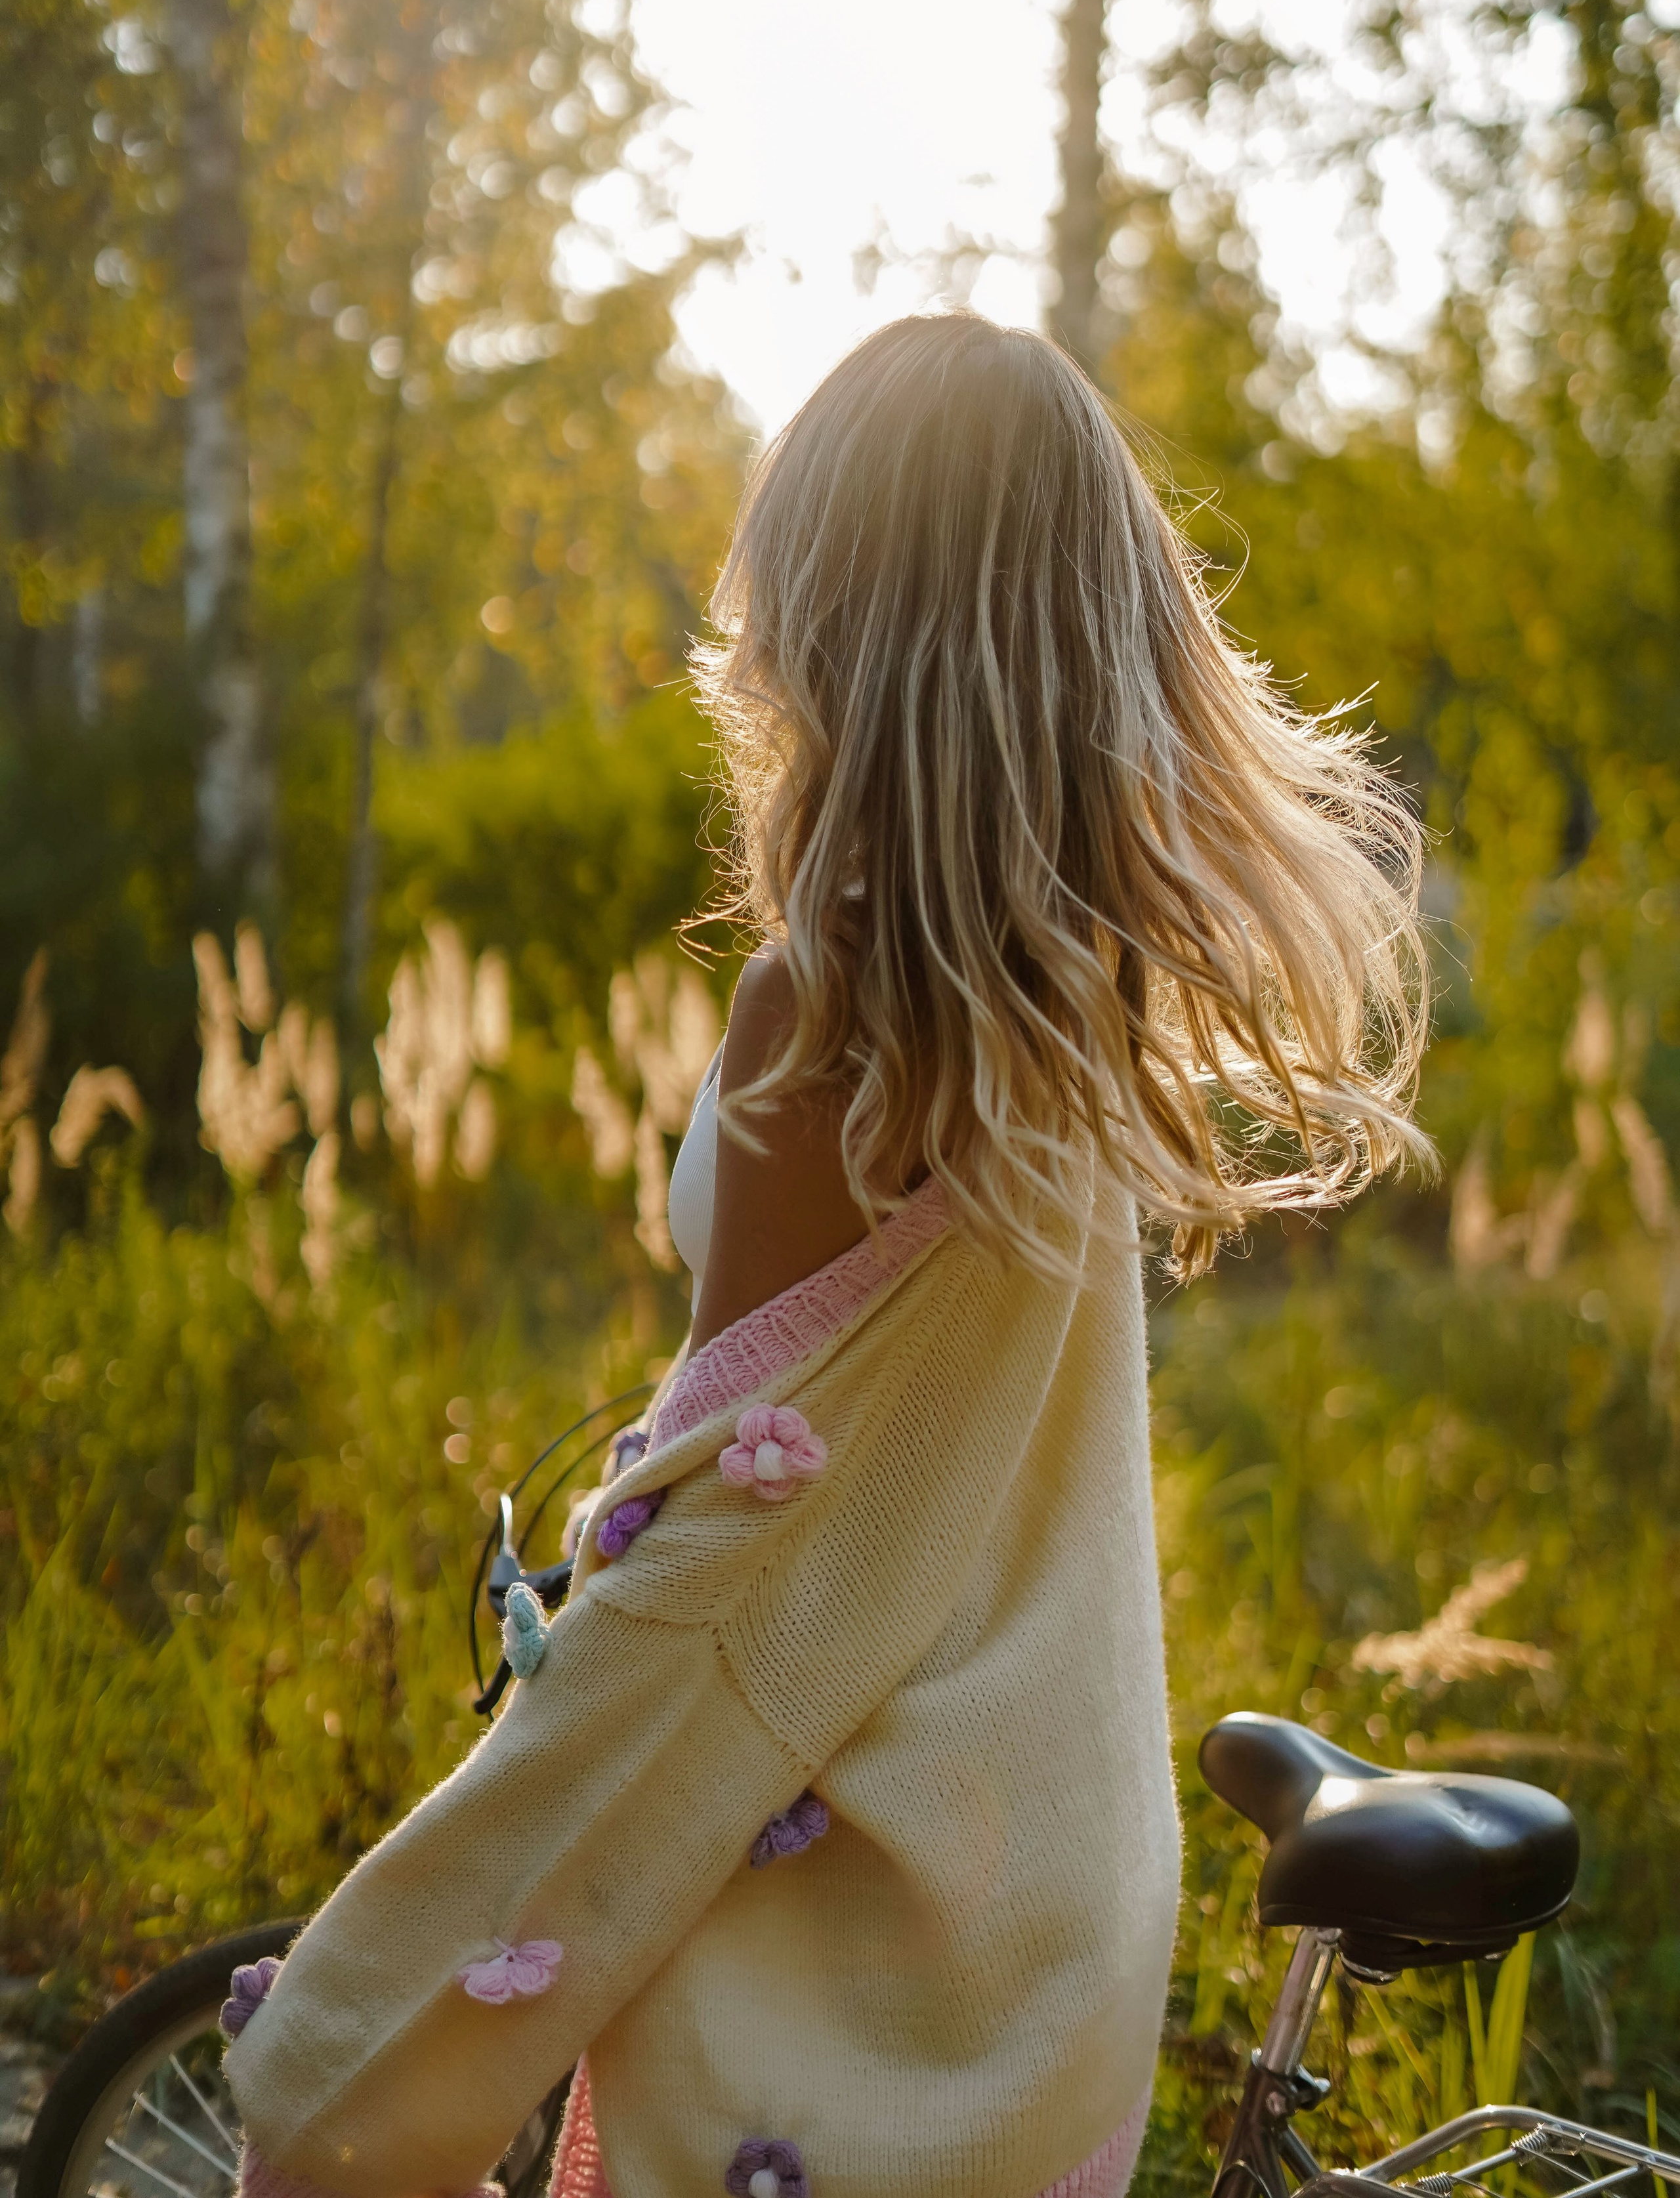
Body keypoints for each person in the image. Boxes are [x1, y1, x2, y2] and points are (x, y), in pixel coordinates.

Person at [224, 311, 1429, 2198]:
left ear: (837, 630)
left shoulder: (828, 1017)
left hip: (848, 1891)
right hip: (1033, 1895)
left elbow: (730, 1577)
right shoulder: (1068, 1002)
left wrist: (363, 2039)